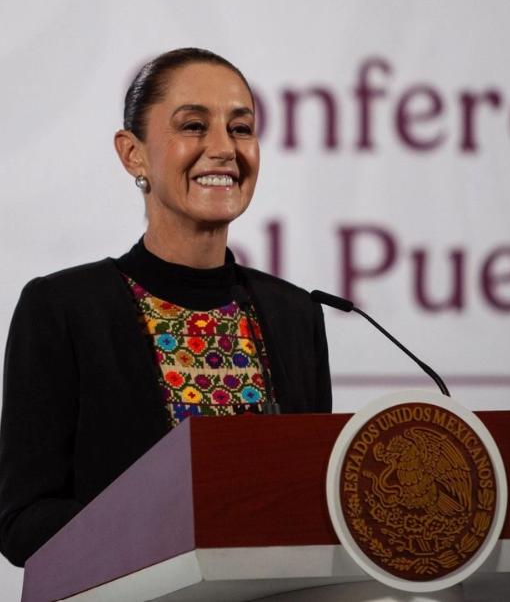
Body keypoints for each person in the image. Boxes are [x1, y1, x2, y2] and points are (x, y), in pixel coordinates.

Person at [0, 48, 332, 568]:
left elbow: (316, 502)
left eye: (241, 128)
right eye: (194, 126)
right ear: (133, 154)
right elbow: (22, 523)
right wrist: (172, 532)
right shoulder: (63, 309)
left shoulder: (295, 315)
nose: (223, 148)